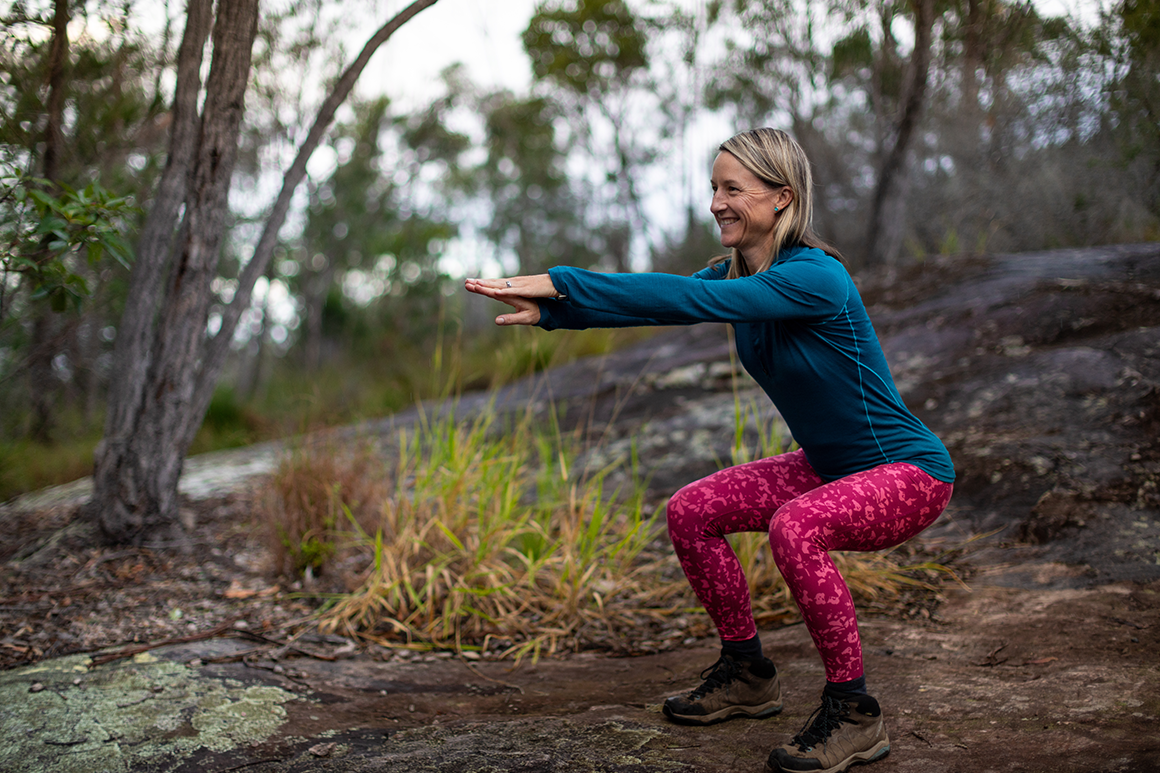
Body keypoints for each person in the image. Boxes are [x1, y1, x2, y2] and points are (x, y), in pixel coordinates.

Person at [464, 127, 954, 773]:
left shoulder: (815, 276)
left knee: (795, 524)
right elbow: (662, 301)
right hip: (832, 468)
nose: (718, 202)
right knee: (693, 509)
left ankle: (854, 711)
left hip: (907, 472)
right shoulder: (735, 273)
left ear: (781, 197)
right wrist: (557, 310)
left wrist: (560, 280)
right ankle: (747, 672)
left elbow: (694, 298)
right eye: (713, 188)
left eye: (733, 189)